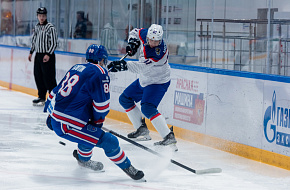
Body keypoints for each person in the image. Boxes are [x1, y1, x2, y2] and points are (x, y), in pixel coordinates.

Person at [43, 44, 145, 181]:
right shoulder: (100, 73)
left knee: (89, 134)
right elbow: (101, 106)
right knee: (109, 141)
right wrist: (97, 122)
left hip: (60, 119)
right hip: (67, 124)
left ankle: (83, 160)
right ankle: (128, 168)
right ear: (102, 60)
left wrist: (49, 113)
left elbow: (56, 90)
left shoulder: (77, 67)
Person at [107, 24, 178, 151]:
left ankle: (168, 136)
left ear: (160, 40)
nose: (153, 43)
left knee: (147, 107)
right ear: (148, 37)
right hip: (145, 79)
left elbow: (141, 67)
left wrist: (123, 66)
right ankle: (141, 129)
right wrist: (132, 43)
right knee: (125, 99)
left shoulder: (158, 52)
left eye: (157, 41)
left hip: (158, 81)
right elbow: (135, 32)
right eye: (151, 40)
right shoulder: (146, 35)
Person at [28, 7, 58, 106]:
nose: (42, 18)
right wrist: (31, 52)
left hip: (47, 55)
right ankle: (41, 96)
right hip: (38, 55)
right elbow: (34, 40)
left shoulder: (50, 27)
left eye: (43, 16)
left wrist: (48, 54)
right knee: (38, 76)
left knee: (48, 77)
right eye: (40, 16)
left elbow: (54, 43)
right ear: (37, 16)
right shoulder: (37, 27)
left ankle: (53, 97)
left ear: (46, 16)